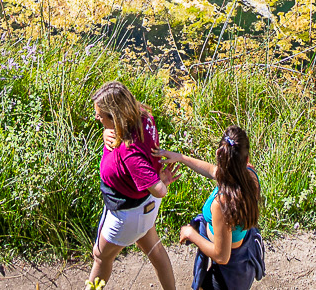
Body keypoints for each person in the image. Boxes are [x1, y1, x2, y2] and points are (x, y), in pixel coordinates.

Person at [87, 81, 176, 290]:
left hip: (127, 213)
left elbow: (159, 190)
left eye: (101, 116)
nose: (97, 118)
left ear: (115, 116)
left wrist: (161, 181)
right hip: (145, 208)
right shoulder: (143, 115)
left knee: (101, 257)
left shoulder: (130, 151)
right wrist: (107, 133)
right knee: (154, 249)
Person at [165, 126, 266, 289]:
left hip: (227, 273)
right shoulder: (250, 176)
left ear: (219, 156)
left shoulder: (222, 204)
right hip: (244, 257)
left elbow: (222, 256)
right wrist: (180, 157)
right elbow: (213, 171)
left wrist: (191, 233)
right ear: (246, 160)